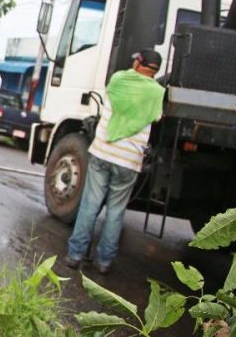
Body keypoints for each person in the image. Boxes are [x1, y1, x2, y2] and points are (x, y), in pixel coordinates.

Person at [64, 49, 165, 274]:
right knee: (116, 212)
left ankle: (75, 255)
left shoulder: (119, 79)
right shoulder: (157, 92)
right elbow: (158, 117)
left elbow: (122, 85)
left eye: (135, 60)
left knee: (90, 205)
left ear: (139, 63)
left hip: (103, 151)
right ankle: (104, 262)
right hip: (129, 160)